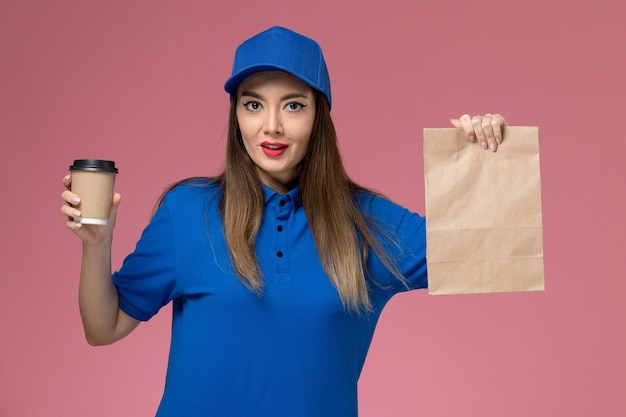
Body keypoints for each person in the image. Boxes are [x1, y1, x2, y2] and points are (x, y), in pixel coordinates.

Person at [61, 26, 506, 417]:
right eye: (253, 105)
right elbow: (104, 328)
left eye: (293, 106)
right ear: (236, 115)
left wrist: (487, 161)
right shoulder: (187, 211)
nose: (270, 126)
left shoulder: (368, 224)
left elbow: (492, 249)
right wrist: (96, 245)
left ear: (319, 116)